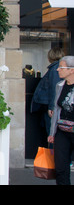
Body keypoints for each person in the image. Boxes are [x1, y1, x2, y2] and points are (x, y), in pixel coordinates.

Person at [48, 56, 74, 184]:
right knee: (60, 167)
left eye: (61, 67)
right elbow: (56, 110)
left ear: (71, 70)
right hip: (62, 131)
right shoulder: (60, 85)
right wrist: (52, 133)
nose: (58, 70)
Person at [32, 47, 64, 137]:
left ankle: (52, 151)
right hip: (51, 105)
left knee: (51, 133)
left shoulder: (55, 69)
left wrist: (52, 107)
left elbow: (55, 88)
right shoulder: (57, 68)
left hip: (50, 105)